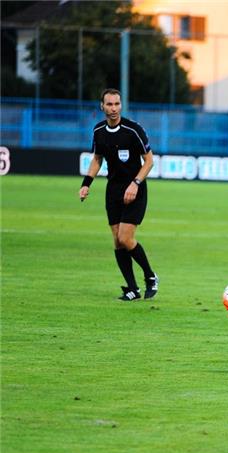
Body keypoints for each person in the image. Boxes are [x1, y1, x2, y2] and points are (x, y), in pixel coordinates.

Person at [79, 88, 158, 301]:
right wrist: (86, 184)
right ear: (102, 106)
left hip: (135, 189)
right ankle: (132, 289)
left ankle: (150, 276)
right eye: (109, 104)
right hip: (113, 190)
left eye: (117, 104)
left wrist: (135, 183)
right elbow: (97, 159)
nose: (113, 109)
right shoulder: (98, 131)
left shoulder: (133, 130)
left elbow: (149, 161)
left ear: (121, 105)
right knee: (117, 241)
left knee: (125, 238)